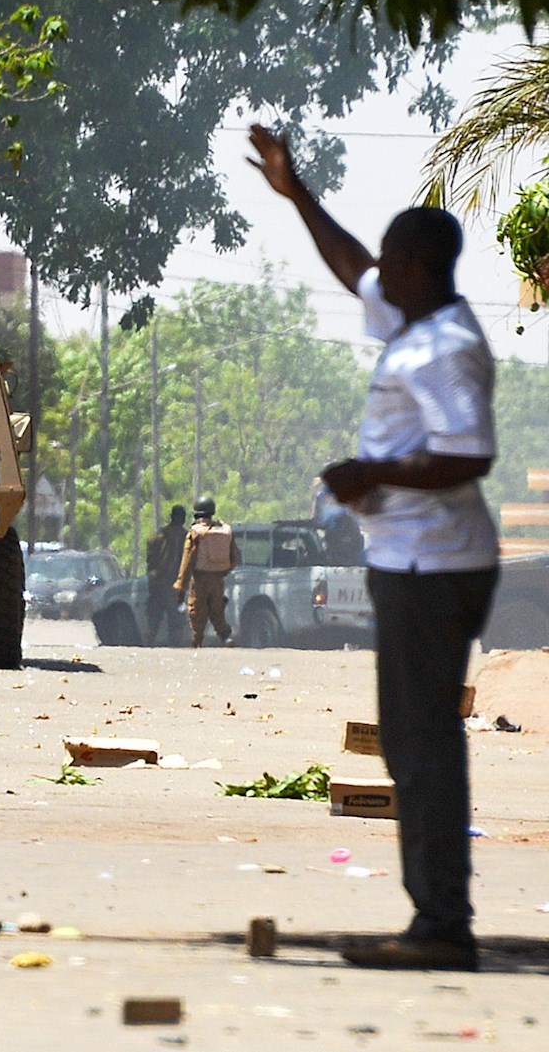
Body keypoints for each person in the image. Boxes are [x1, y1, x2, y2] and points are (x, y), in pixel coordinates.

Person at [250, 124, 497, 972]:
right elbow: (349, 259)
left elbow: (472, 452)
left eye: (393, 260)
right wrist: (296, 193)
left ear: (421, 267)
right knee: (412, 735)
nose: (377, 274)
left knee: (422, 738)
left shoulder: (450, 347)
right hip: (411, 559)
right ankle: (437, 915)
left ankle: (442, 924)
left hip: (437, 562)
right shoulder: (411, 313)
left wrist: (372, 474)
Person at [174, 495, 240, 647]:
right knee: (217, 610)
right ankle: (225, 636)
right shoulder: (223, 531)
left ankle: (197, 642)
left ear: (196, 514)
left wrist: (181, 587)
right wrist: (221, 571)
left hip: (199, 579)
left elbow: (187, 561)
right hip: (218, 580)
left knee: (197, 612)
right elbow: (234, 558)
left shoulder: (195, 533)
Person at [144, 504, 188, 643]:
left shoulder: (158, 536)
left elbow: (150, 559)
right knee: (175, 621)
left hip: (157, 583)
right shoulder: (185, 537)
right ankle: (174, 648)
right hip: (174, 584)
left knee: (154, 619)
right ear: (182, 519)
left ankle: (149, 644)